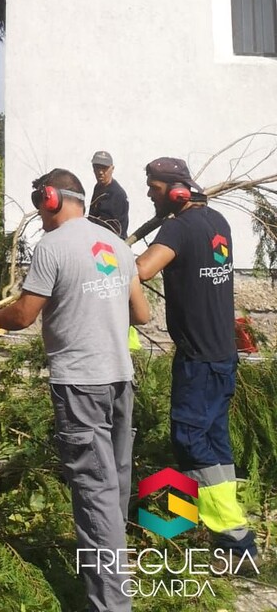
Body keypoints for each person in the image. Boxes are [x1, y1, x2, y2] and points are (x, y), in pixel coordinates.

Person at [0, 169, 149, 612]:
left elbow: (22, 316)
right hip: (120, 378)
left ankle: (110, 604)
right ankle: (114, 577)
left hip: (80, 384)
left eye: (39, 203)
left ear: (51, 199)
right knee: (114, 487)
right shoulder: (116, 245)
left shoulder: (51, 247)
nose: (39, 212)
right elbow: (142, 313)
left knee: (94, 495)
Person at [134, 157, 258, 573]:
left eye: (153, 189)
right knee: (214, 442)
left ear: (176, 192)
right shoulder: (216, 221)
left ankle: (232, 534)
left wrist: (104, 255)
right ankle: (233, 540)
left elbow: (142, 270)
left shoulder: (178, 228)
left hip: (199, 358)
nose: (149, 194)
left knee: (189, 438)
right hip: (221, 353)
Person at [89, 151, 129, 238]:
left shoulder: (117, 195)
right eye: (97, 167)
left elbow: (117, 230)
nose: (100, 172)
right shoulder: (98, 187)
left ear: (112, 168)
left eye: (104, 168)